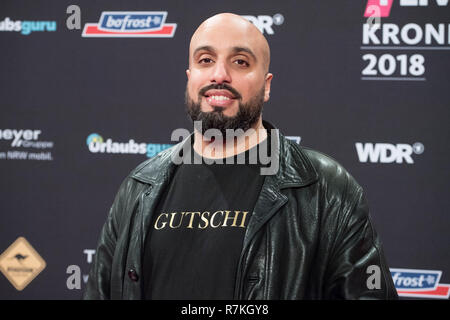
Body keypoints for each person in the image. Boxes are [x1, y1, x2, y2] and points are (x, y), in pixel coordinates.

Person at [84, 13, 398, 300]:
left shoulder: (327, 189)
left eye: (241, 62)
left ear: (267, 86)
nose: (219, 75)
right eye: (206, 60)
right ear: (190, 76)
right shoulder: (139, 186)